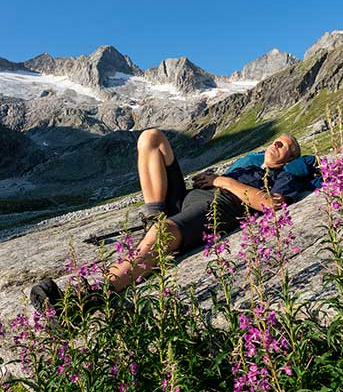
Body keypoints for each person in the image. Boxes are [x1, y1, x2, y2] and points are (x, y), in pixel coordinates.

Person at [30, 128, 321, 312]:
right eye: (275, 141)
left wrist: (222, 181)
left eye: (283, 146)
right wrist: (211, 179)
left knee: (163, 235)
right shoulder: (249, 164)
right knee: (151, 139)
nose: (275, 146)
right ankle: (153, 216)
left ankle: (89, 298)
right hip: (191, 197)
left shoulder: (285, 175)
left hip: (219, 208)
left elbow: (271, 203)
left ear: (291, 156)